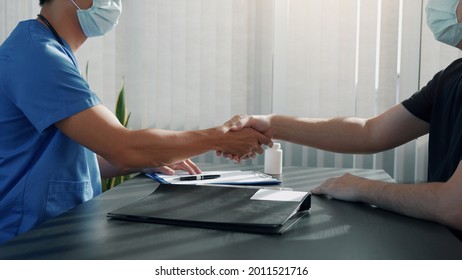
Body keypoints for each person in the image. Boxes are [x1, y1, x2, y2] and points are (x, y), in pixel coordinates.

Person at [0, 0, 271, 244]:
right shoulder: (37, 56)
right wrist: (220, 137)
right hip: (25, 239)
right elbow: (122, 145)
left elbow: (67, 160)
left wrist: (147, 159)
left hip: (56, 229)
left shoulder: (45, 49)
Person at [228, 0, 462, 238]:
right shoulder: (452, 76)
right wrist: (271, 124)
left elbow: (454, 206)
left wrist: (363, 188)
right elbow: (369, 132)